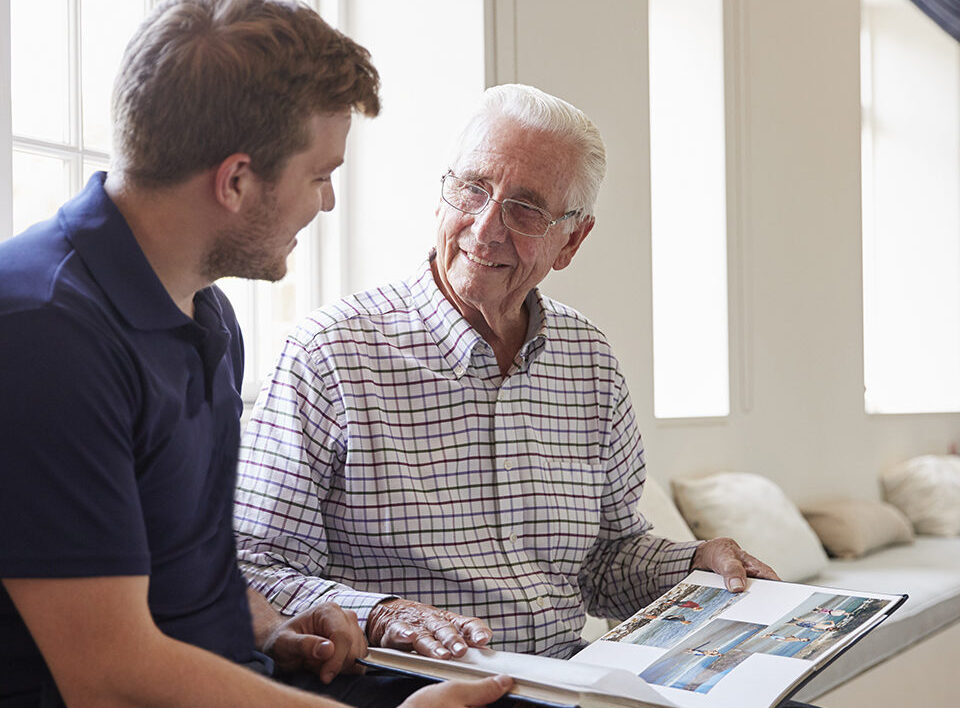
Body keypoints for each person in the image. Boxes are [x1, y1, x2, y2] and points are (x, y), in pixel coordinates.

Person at [0, 1, 511, 707]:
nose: (328, 203)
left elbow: (180, 565)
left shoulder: (205, 311)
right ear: (236, 180)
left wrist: (271, 628)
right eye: (319, 174)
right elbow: (108, 675)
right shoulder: (40, 333)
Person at [234, 83, 780, 668]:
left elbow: (605, 559)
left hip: (569, 679)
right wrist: (384, 615)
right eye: (472, 188)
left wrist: (693, 562)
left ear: (571, 239)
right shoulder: (330, 353)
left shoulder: (588, 360)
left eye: (524, 208)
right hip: (410, 683)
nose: (485, 227)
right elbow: (253, 569)